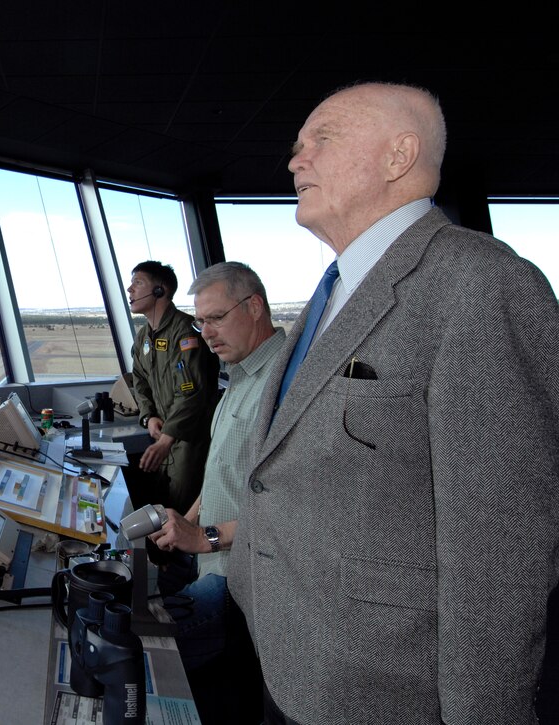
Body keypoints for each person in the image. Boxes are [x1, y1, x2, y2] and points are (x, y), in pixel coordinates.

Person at [227, 82, 559, 725]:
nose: (297, 160)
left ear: (398, 155)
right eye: (298, 148)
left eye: (322, 140)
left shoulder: (483, 286)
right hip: (289, 658)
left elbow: (499, 559)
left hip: (383, 692)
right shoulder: (334, 293)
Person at [149, 262, 284, 723]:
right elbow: (222, 473)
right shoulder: (239, 375)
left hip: (240, 578)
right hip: (209, 554)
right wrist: (184, 521)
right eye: (200, 320)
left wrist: (202, 536)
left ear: (255, 306)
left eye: (217, 318)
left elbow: (290, 510)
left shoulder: (283, 387)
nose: (205, 332)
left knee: (140, 654)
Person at [127, 260, 219, 512]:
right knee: (162, 505)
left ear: (160, 290)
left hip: (189, 440)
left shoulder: (186, 333)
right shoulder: (143, 336)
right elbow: (139, 379)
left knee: (183, 508)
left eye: (138, 283)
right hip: (163, 436)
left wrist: (167, 439)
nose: (129, 290)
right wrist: (149, 416)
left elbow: (193, 394)